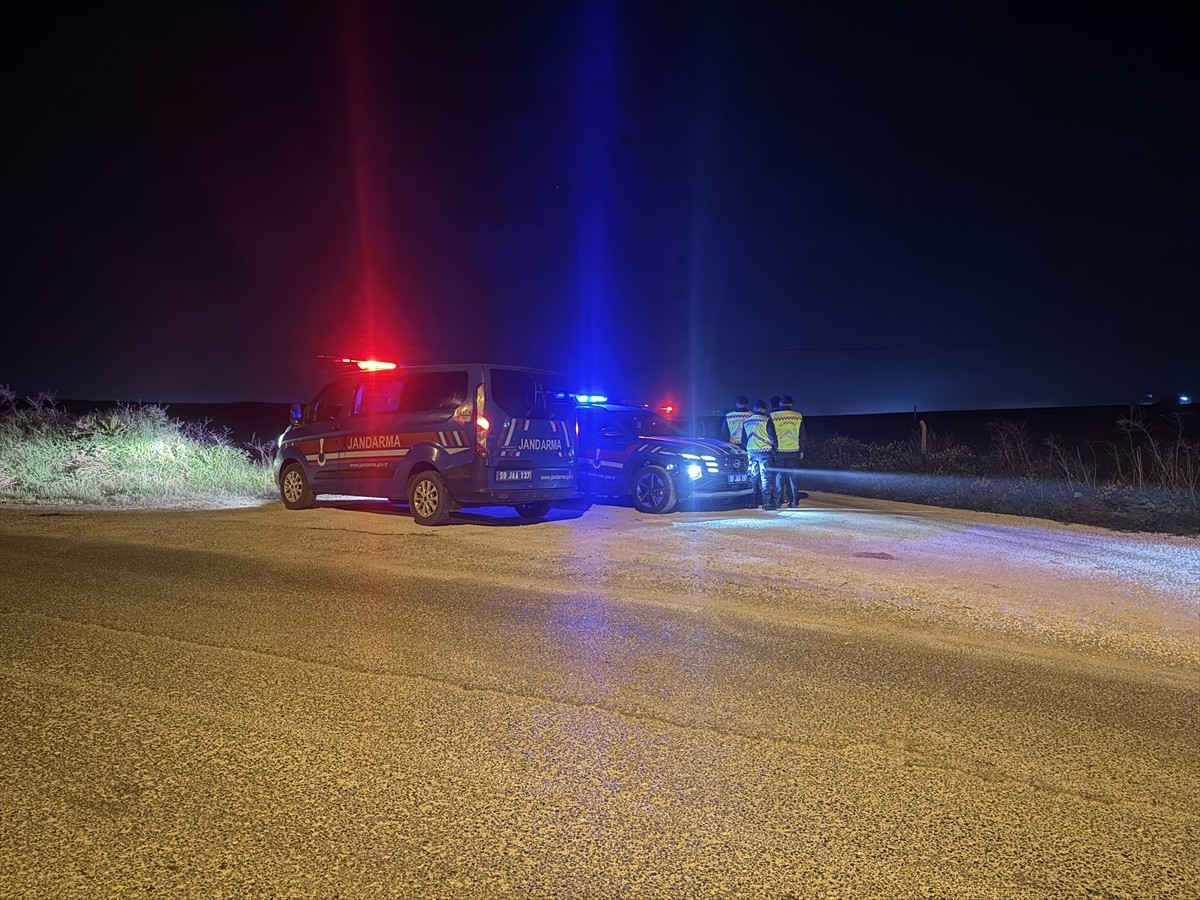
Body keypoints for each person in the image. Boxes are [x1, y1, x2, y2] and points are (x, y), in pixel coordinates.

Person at [769, 394, 806, 508]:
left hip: (778, 451)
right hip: (793, 451)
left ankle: (776, 501)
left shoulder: (773, 416)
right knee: (792, 477)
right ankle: (794, 501)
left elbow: (770, 434)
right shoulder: (798, 416)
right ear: (791, 404)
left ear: (780, 403)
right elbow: (802, 435)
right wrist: (802, 450)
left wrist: (774, 447)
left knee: (778, 476)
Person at [740, 399, 777, 509]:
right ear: (763, 409)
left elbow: (743, 440)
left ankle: (752, 502)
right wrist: (774, 450)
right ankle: (766, 503)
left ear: (754, 408)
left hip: (751, 452)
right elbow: (772, 437)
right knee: (766, 478)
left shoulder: (747, 422)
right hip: (765, 452)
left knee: (753, 478)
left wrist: (749, 447)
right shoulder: (766, 420)